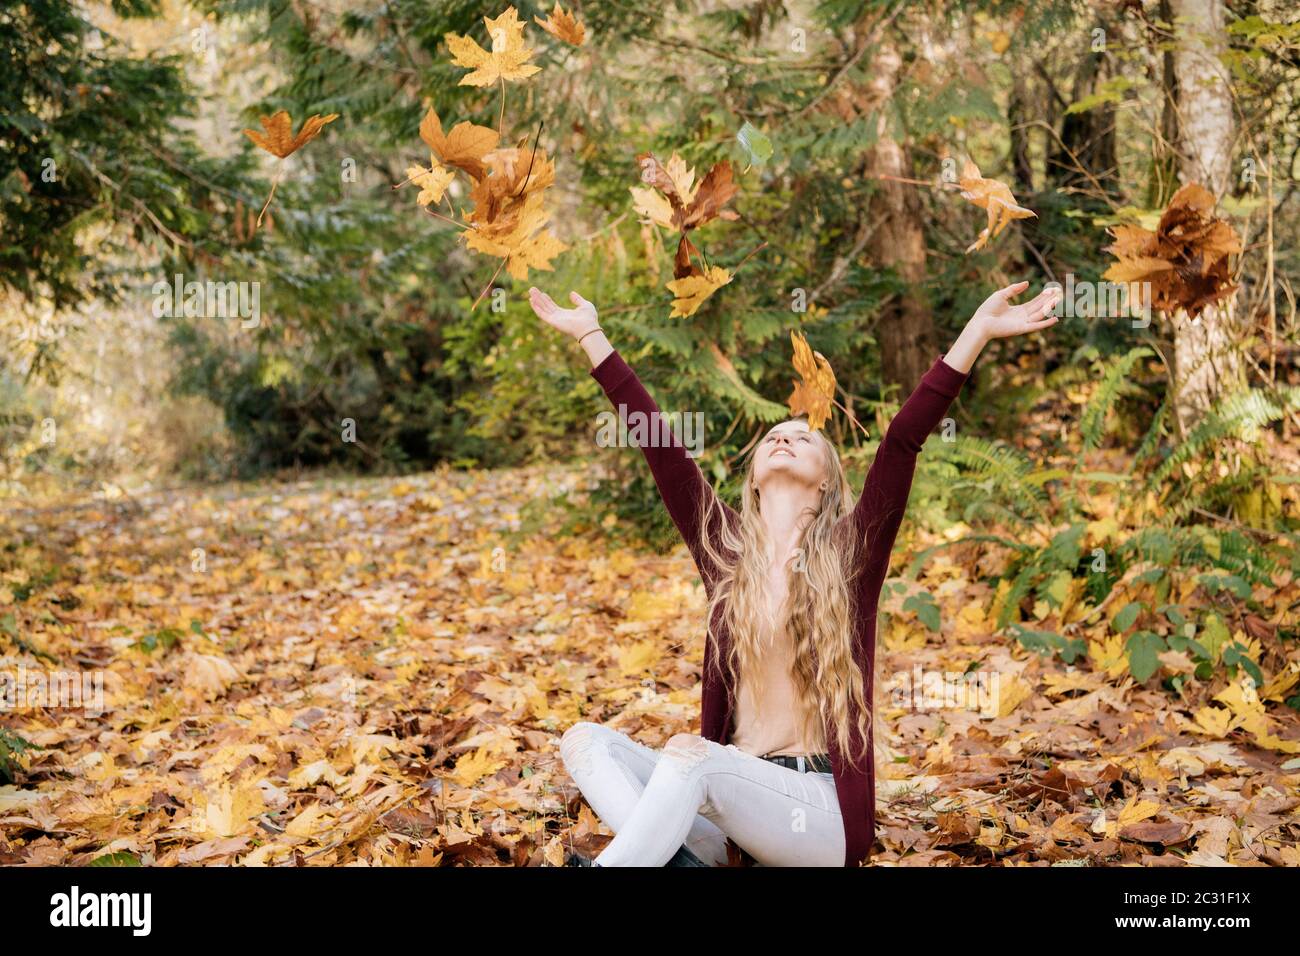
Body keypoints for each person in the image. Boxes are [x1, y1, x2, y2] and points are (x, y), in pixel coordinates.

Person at [527, 280, 1060, 866]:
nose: (783, 438)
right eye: (773, 437)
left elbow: (903, 441)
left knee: (692, 756)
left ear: (827, 477)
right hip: (730, 809)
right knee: (585, 742)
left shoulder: (851, 554)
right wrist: (591, 336)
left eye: (801, 438)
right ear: (753, 477)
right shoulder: (725, 549)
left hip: (818, 814)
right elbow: (663, 449)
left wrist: (975, 333)